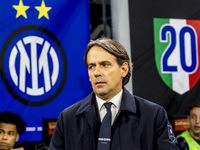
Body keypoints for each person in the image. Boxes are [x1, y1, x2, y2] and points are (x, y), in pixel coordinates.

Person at [49, 38, 179, 150]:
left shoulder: (153, 115)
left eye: (105, 65)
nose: (96, 72)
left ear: (123, 69)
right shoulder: (68, 119)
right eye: (91, 67)